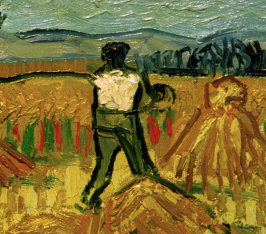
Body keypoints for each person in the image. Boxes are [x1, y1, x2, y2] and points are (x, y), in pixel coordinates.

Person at [77, 41, 186, 211]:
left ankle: (86, 200)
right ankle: (149, 203)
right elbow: (149, 98)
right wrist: (154, 99)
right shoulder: (135, 76)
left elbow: (95, 104)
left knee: (103, 167)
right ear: (122, 56)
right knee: (140, 168)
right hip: (126, 123)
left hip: (103, 123)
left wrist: (96, 126)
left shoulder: (98, 76)